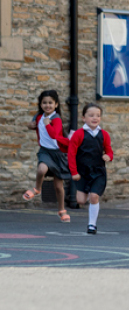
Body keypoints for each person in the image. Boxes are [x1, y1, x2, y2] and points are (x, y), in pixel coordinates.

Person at [23, 90, 71, 222]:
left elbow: (53, 135)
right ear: (40, 104)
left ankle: (62, 210)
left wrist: (47, 123)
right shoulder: (38, 116)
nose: (47, 105)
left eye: (50, 103)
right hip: (45, 151)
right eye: (44, 103)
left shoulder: (56, 119)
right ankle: (37, 189)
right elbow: (33, 125)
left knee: (58, 186)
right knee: (41, 169)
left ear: (56, 105)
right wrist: (30, 126)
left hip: (58, 153)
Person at [68, 103, 114, 234]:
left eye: (98, 115)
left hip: (98, 171)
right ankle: (88, 193)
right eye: (91, 115)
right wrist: (74, 172)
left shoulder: (104, 134)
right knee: (80, 201)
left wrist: (108, 157)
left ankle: (92, 225)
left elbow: (110, 151)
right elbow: (71, 154)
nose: (95, 118)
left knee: (94, 196)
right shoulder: (78, 134)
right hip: (82, 172)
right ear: (84, 118)